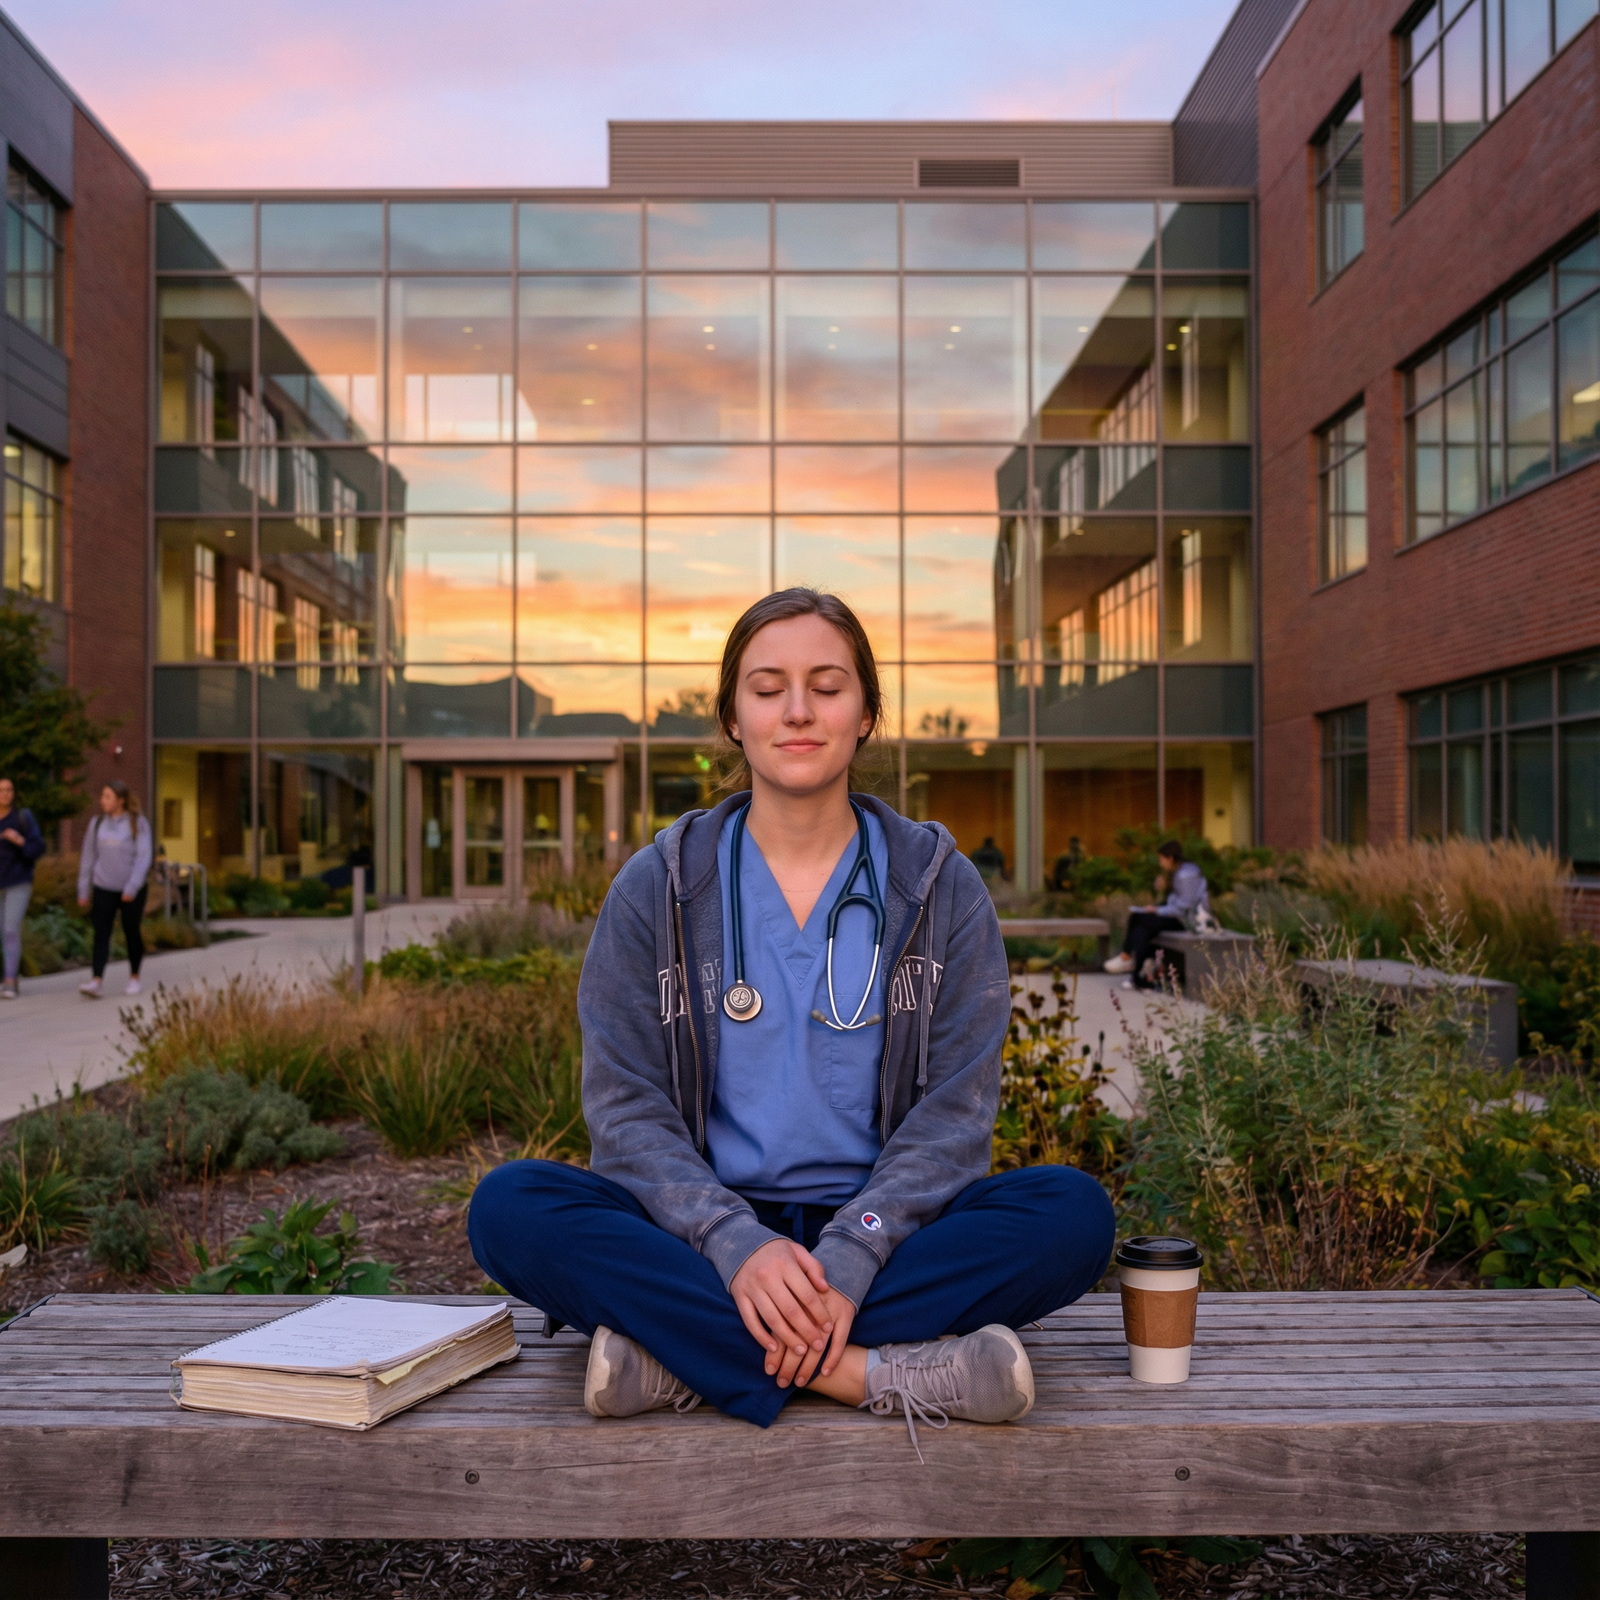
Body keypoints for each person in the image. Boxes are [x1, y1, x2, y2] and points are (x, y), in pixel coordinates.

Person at [468, 589, 1114, 1449]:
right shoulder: (657, 888)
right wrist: (734, 1242)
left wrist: (850, 1255)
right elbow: (624, 1109)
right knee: (510, 1208)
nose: (798, 711)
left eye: (827, 686)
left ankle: (679, 1360)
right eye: (768, 688)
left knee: (1072, 1214)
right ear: (732, 717)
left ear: (867, 713)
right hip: (702, 1233)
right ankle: (873, 1374)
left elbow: (956, 1118)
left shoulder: (939, 887)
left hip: (888, 1233)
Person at [76, 779, 153, 999]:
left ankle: (134, 978)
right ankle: (96, 980)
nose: (102, 801)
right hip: (103, 887)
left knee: (131, 932)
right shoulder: (97, 823)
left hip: (131, 890)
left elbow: (143, 857)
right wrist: (83, 889)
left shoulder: (138, 823)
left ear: (121, 800)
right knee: (101, 933)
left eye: (107, 797)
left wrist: (132, 887)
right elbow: (88, 857)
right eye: (102, 796)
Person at [1104, 840, 1210, 989]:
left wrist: (1158, 910)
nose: (1160, 863)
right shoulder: (1177, 872)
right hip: (1178, 916)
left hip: (1189, 922)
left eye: (1161, 859)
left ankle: (1129, 962)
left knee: (1140, 920)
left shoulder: (1186, 875)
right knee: (1139, 923)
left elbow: (1184, 908)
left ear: (1170, 858)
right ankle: (1136, 975)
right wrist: (1159, 898)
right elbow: (1174, 902)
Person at [0, 777, 47, 1001]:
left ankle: (10, 980)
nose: (5, 794)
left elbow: (38, 848)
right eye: (1, 790)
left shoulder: (22, 817)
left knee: (10, 929)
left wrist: (20, 841)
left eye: (9, 789)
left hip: (18, 882)